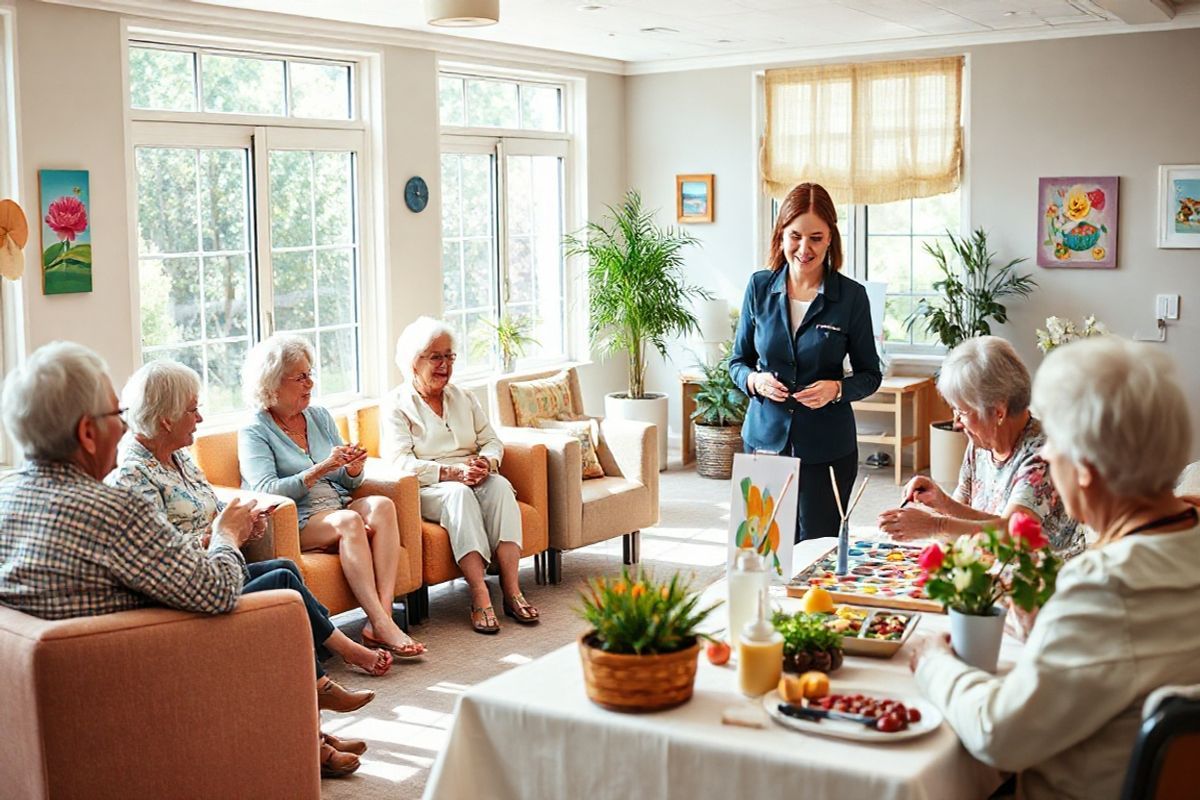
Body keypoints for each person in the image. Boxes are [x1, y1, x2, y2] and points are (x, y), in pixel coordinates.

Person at [0, 343, 365, 776]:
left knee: (279, 579)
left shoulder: (6, 496)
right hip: (149, 667)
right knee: (279, 604)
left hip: (50, 690)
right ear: (86, 433)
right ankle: (310, 723)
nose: (123, 429)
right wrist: (228, 535)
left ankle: (313, 727)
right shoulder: (114, 507)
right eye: (116, 416)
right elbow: (217, 590)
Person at [908, 336, 1200, 800]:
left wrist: (933, 662)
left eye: (1056, 444)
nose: (1043, 454)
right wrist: (1045, 618)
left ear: (1084, 468)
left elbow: (997, 734)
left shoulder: (1104, 586)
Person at [106, 360, 392, 697]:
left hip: (220, 570)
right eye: (193, 410)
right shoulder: (133, 475)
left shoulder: (179, 456)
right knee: (284, 582)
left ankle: (320, 684)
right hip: (192, 590)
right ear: (166, 419)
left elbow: (211, 508)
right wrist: (221, 536)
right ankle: (338, 665)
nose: (200, 419)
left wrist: (245, 523)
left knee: (284, 570)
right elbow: (157, 559)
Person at [238, 334, 426, 660]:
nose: (310, 383)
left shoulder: (319, 416)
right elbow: (265, 490)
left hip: (336, 506)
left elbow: (347, 483)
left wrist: (352, 469)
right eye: (300, 377)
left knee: (382, 505)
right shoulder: (255, 429)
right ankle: (384, 623)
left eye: (310, 374)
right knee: (350, 521)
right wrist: (320, 468)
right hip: (296, 518)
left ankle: (377, 620)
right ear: (272, 383)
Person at [729, 182, 882, 542]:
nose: (804, 248)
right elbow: (738, 361)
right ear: (781, 234)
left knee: (817, 549)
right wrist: (755, 381)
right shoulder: (759, 287)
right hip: (765, 439)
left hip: (827, 446)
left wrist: (837, 388)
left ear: (831, 239)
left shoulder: (852, 298)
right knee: (761, 550)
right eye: (795, 235)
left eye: (816, 237)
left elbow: (870, 374)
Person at [382, 316, 538, 634]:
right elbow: (399, 462)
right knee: (459, 494)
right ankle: (480, 594)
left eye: (449, 356)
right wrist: (450, 472)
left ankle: (511, 590)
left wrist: (486, 463)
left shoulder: (463, 397)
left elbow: (491, 440)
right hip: (431, 485)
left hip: (473, 475)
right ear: (414, 362)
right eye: (436, 357)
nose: (445, 365)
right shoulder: (396, 405)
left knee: (501, 487)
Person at [877, 336, 1082, 558]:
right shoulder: (982, 444)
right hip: (992, 569)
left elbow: (1012, 534)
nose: (956, 422)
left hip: (1042, 582)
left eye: (962, 412)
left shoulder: (1044, 455)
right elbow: (965, 520)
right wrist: (941, 501)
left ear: (998, 412)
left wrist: (934, 526)